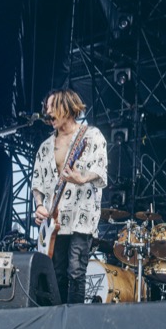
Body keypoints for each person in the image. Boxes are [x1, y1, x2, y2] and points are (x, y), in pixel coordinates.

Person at [32, 89, 108, 304]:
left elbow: (100, 169)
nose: (48, 112)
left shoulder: (91, 136)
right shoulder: (45, 147)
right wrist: (39, 205)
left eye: (52, 107)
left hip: (81, 217)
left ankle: (74, 318)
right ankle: (57, 316)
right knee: (56, 272)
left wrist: (82, 178)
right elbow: (37, 182)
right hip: (55, 220)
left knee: (76, 270)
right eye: (46, 108)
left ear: (67, 107)